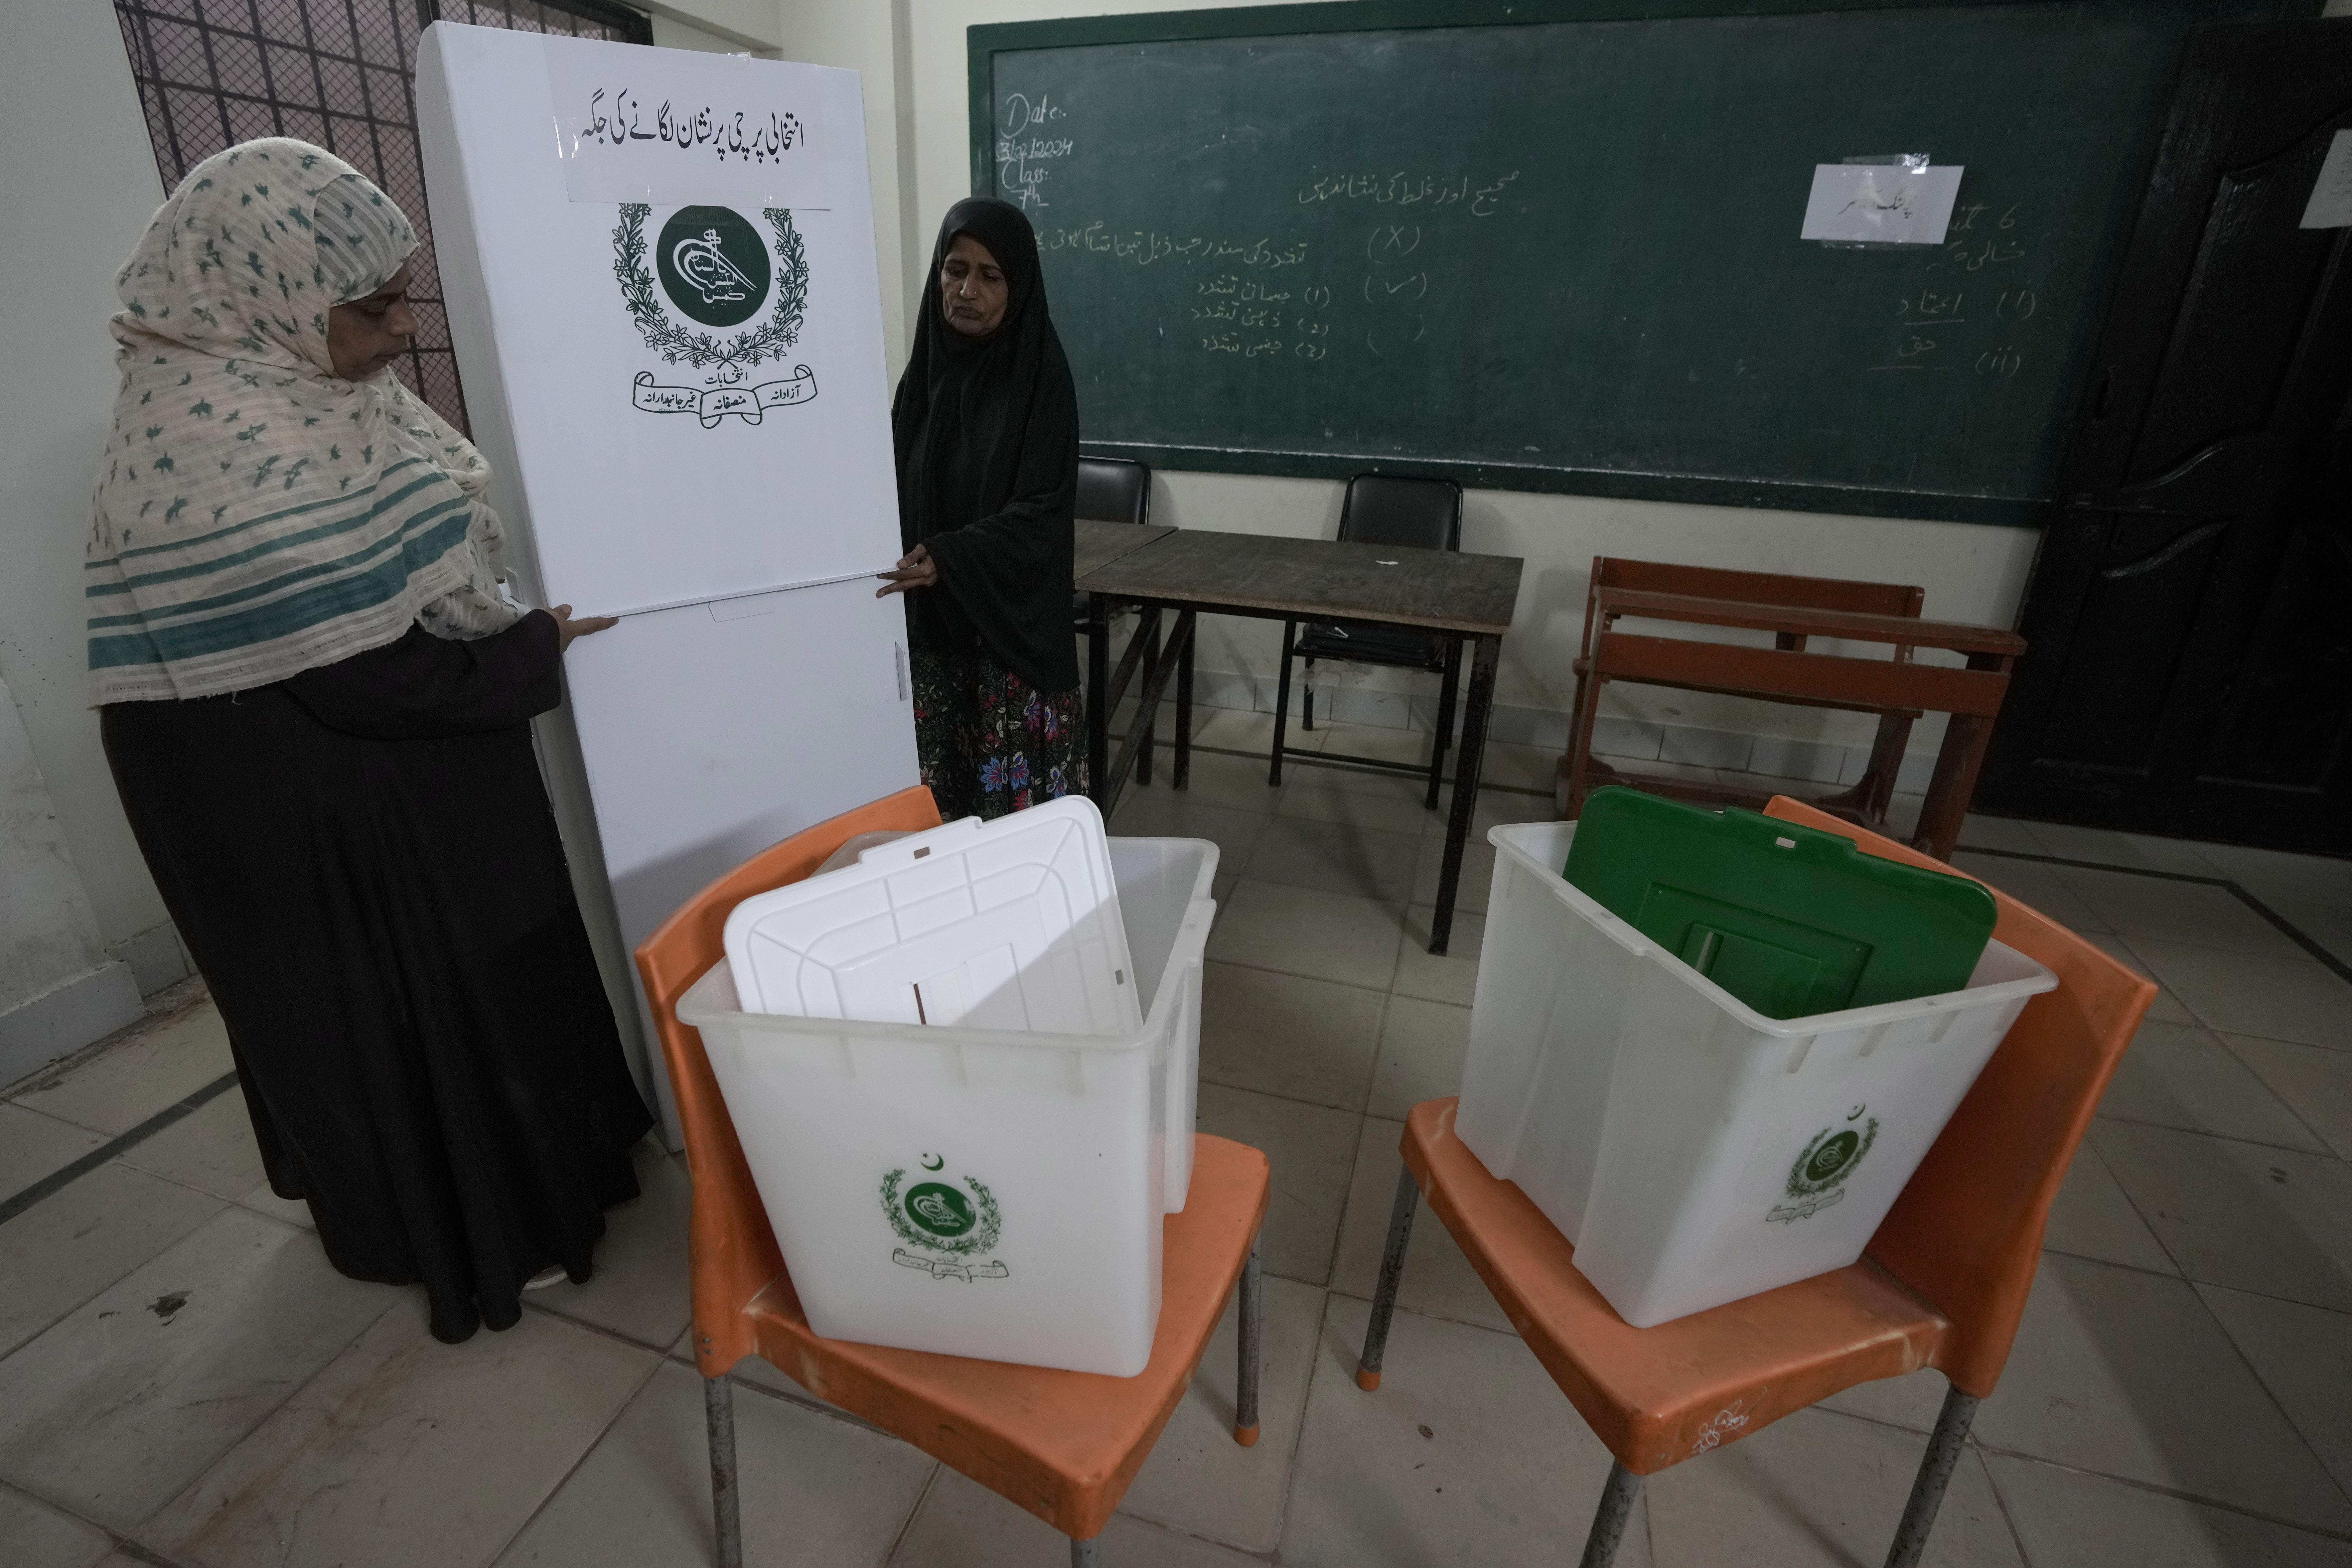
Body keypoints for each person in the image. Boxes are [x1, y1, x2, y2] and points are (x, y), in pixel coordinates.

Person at [87, 138, 653, 1345]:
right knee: (417, 1013)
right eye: (375, 305)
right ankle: (477, 1223)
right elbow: (364, 675)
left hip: (381, 759)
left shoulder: (309, 378)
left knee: (479, 987)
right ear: (272, 289)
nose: (403, 329)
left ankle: (532, 1171)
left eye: (406, 295)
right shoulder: (218, 432)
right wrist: (530, 652)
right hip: (316, 809)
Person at [877, 197, 1086, 818]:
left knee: (1006, 844)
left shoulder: (1041, 382)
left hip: (1006, 652)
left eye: (990, 276)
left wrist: (949, 555)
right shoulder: (922, 382)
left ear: (1017, 288)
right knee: (930, 831)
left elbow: (1042, 513)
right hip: (930, 642)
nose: (966, 290)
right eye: (953, 269)